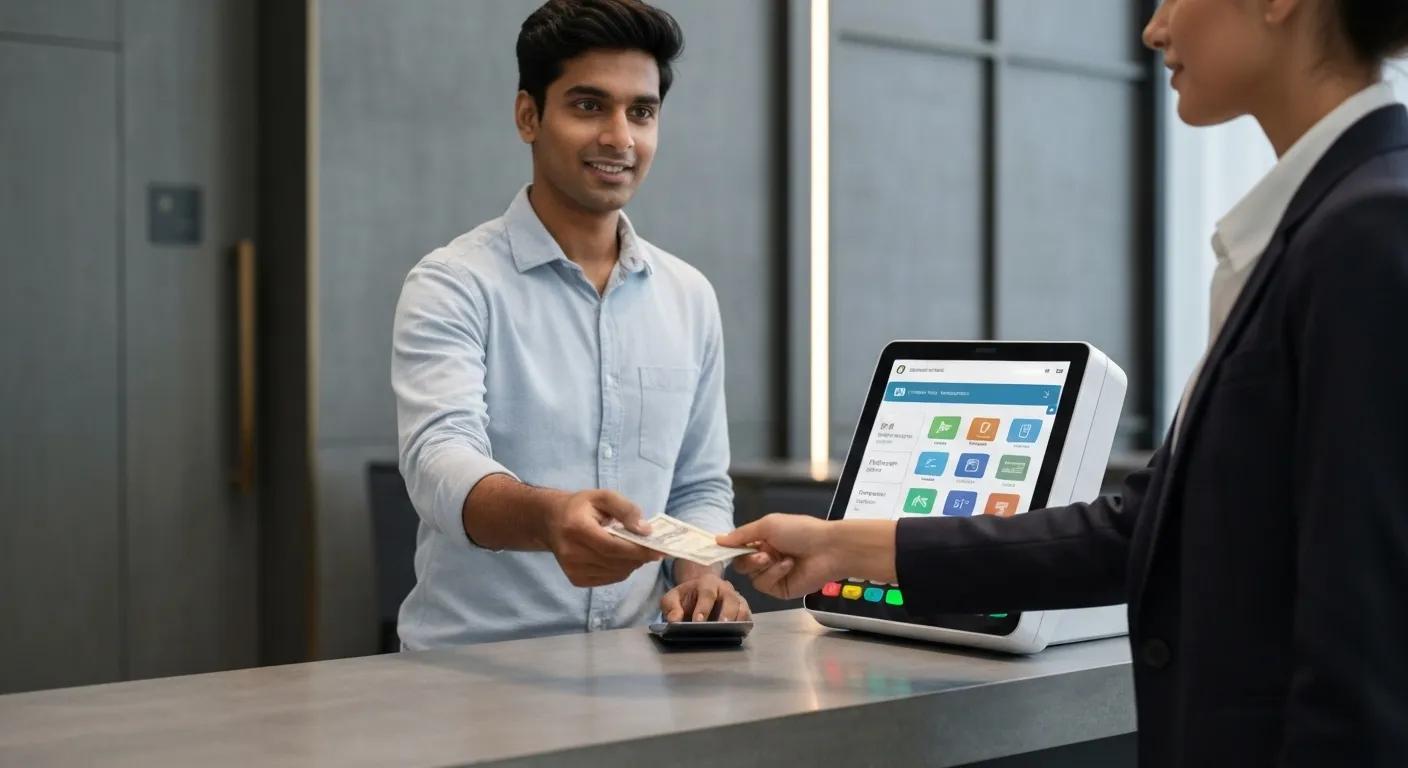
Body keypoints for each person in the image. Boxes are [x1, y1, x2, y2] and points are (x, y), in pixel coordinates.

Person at [721, 1, 1408, 765]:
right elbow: (1139, 531)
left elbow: (1367, 642)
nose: (1154, 28)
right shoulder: (1317, 226)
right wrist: (838, 545)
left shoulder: (1371, 230)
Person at [393, 0, 747, 650]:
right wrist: (551, 518)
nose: (620, 138)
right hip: (474, 670)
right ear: (528, 116)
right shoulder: (453, 283)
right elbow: (439, 462)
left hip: (639, 667)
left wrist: (701, 575)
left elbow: (698, 483)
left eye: (641, 112)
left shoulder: (689, 296)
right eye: (589, 106)